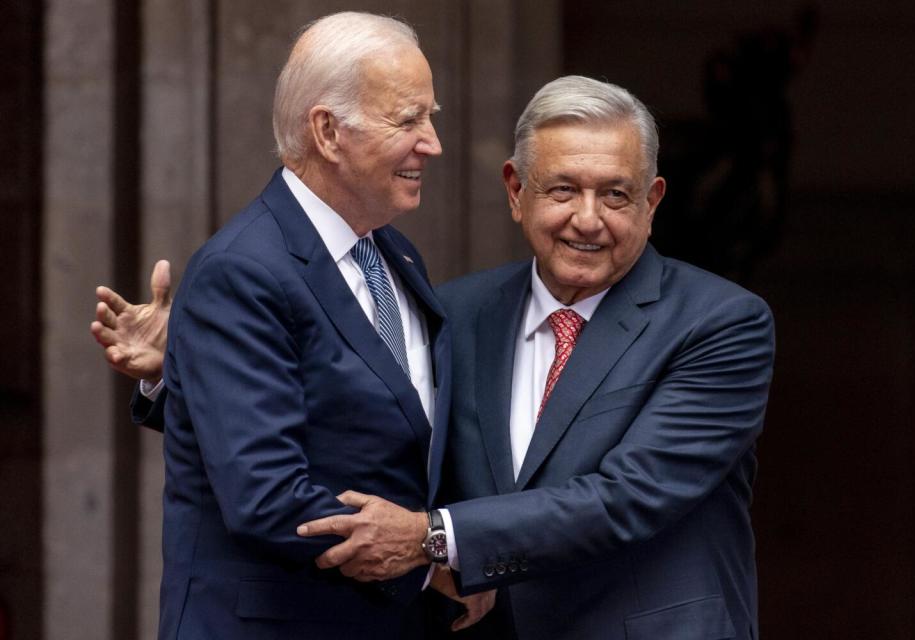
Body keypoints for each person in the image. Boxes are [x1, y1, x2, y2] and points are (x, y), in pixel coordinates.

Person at [95, 75, 774, 639]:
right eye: (563, 189)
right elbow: (367, 433)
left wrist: (432, 537)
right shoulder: (455, 311)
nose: (589, 219)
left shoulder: (721, 324)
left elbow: (627, 497)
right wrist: (191, 368)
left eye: (616, 194)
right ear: (516, 191)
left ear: (653, 202)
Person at [92, 12, 493, 639]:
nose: (433, 142)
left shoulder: (395, 252)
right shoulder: (242, 269)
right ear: (329, 131)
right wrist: (429, 562)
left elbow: (384, 430)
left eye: (431, 116)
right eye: (408, 119)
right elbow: (267, 493)